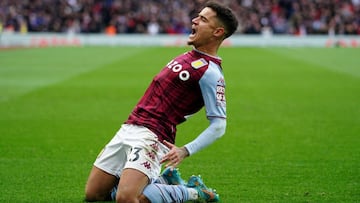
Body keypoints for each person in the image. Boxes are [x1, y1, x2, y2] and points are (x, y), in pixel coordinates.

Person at [84, 1, 238, 202]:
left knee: (126, 198)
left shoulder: (211, 73)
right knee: (94, 195)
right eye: (198, 16)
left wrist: (185, 150)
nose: (194, 20)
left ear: (217, 32)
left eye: (203, 19)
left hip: (154, 135)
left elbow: (219, 125)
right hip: (129, 126)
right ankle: (164, 181)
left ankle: (194, 192)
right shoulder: (187, 56)